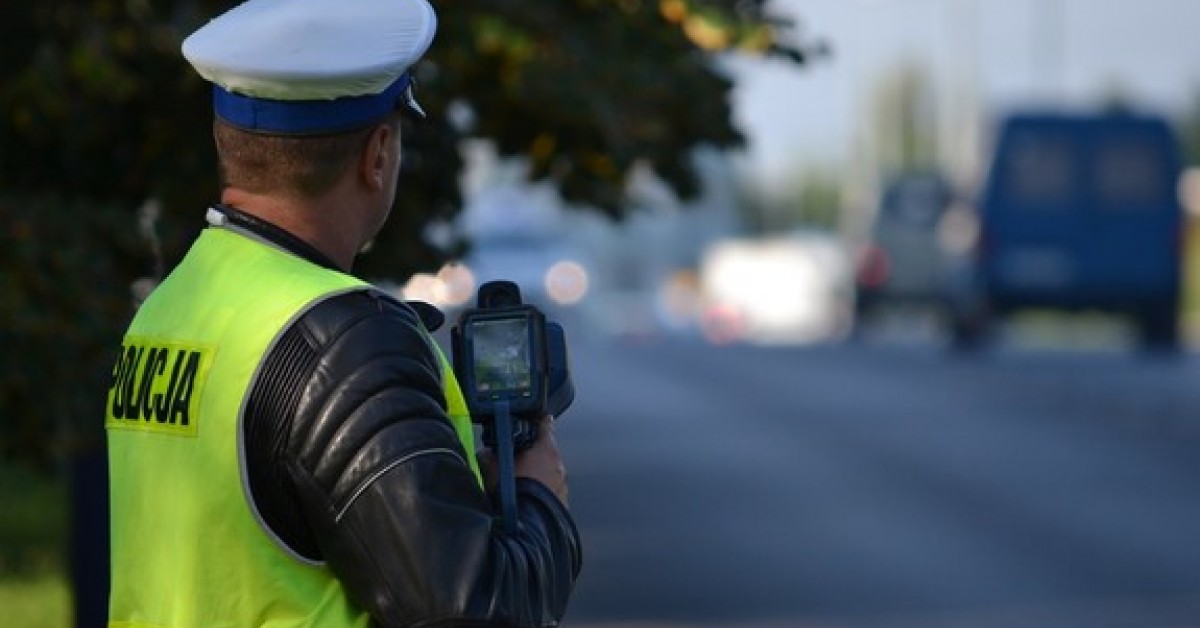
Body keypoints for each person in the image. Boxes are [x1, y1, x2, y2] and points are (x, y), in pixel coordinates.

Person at [103, 0, 582, 626]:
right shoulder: (346, 342)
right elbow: (473, 608)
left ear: (229, 143)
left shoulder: (170, 308)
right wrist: (541, 498)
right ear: (377, 154)